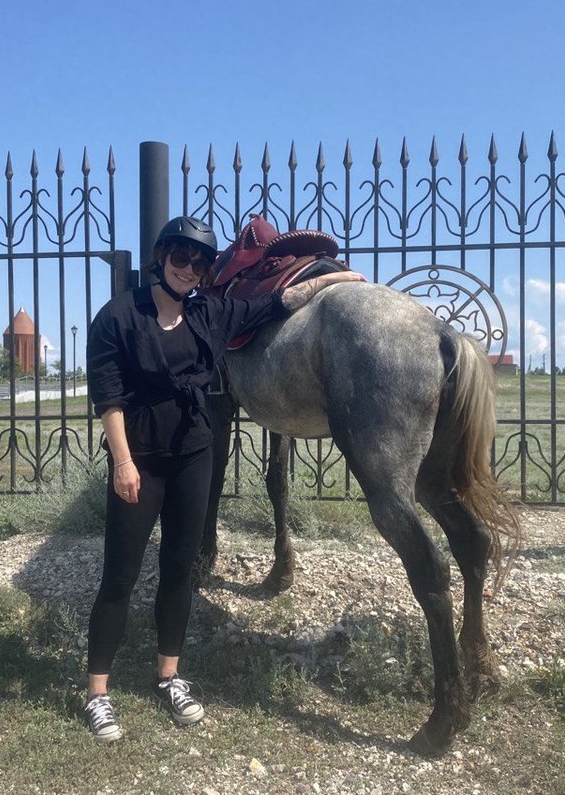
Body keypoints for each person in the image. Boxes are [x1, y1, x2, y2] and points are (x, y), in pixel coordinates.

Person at [82, 215, 363, 743]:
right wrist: (122, 462)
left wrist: (333, 281)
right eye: (181, 257)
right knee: (119, 578)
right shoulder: (119, 316)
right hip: (140, 460)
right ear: (161, 257)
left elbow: (276, 303)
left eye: (201, 261)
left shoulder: (210, 311)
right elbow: (109, 396)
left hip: (193, 457)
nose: (190, 268)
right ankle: (98, 692)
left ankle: (168, 675)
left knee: (179, 570)